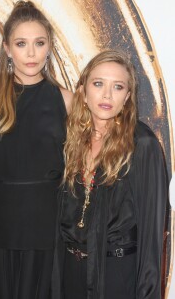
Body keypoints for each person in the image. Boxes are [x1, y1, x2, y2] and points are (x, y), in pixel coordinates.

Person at [52, 49, 168, 299]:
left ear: (127, 96)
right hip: (70, 272)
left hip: (115, 275)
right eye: (98, 84)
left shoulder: (142, 143)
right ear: (82, 91)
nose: (106, 95)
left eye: (117, 87)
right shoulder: (71, 137)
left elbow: (152, 232)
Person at [0, 1, 73, 298]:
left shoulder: (66, 100)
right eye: (21, 44)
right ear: (7, 48)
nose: (31, 54)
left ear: (49, 46)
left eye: (39, 43)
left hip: (45, 225)